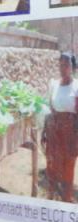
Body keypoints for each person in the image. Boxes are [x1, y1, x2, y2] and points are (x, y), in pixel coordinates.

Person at [44, 51, 78, 203]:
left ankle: (66, 198)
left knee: (68, 165)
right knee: (52, 164)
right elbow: (50, 109)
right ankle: (51, 196)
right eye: (61, 64)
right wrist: (45, 131)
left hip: (70, 133)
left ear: (73, 67)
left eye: (66, 65)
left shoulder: (76, 87)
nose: (63, 68)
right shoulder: (54, 85)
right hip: (54, 132)